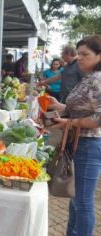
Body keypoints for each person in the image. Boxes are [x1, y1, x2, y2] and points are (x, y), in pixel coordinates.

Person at [48, 35, 101, 236]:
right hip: (78, 143)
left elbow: (99, 118)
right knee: (75, 199)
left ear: (99, 56)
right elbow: (81, 108)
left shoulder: (98, 79)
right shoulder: (89, 78)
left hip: (89, 145)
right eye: (78, 54)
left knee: (83, 202)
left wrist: (70, 122)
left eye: (85, 54)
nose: (79, 58)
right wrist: (59, 106)